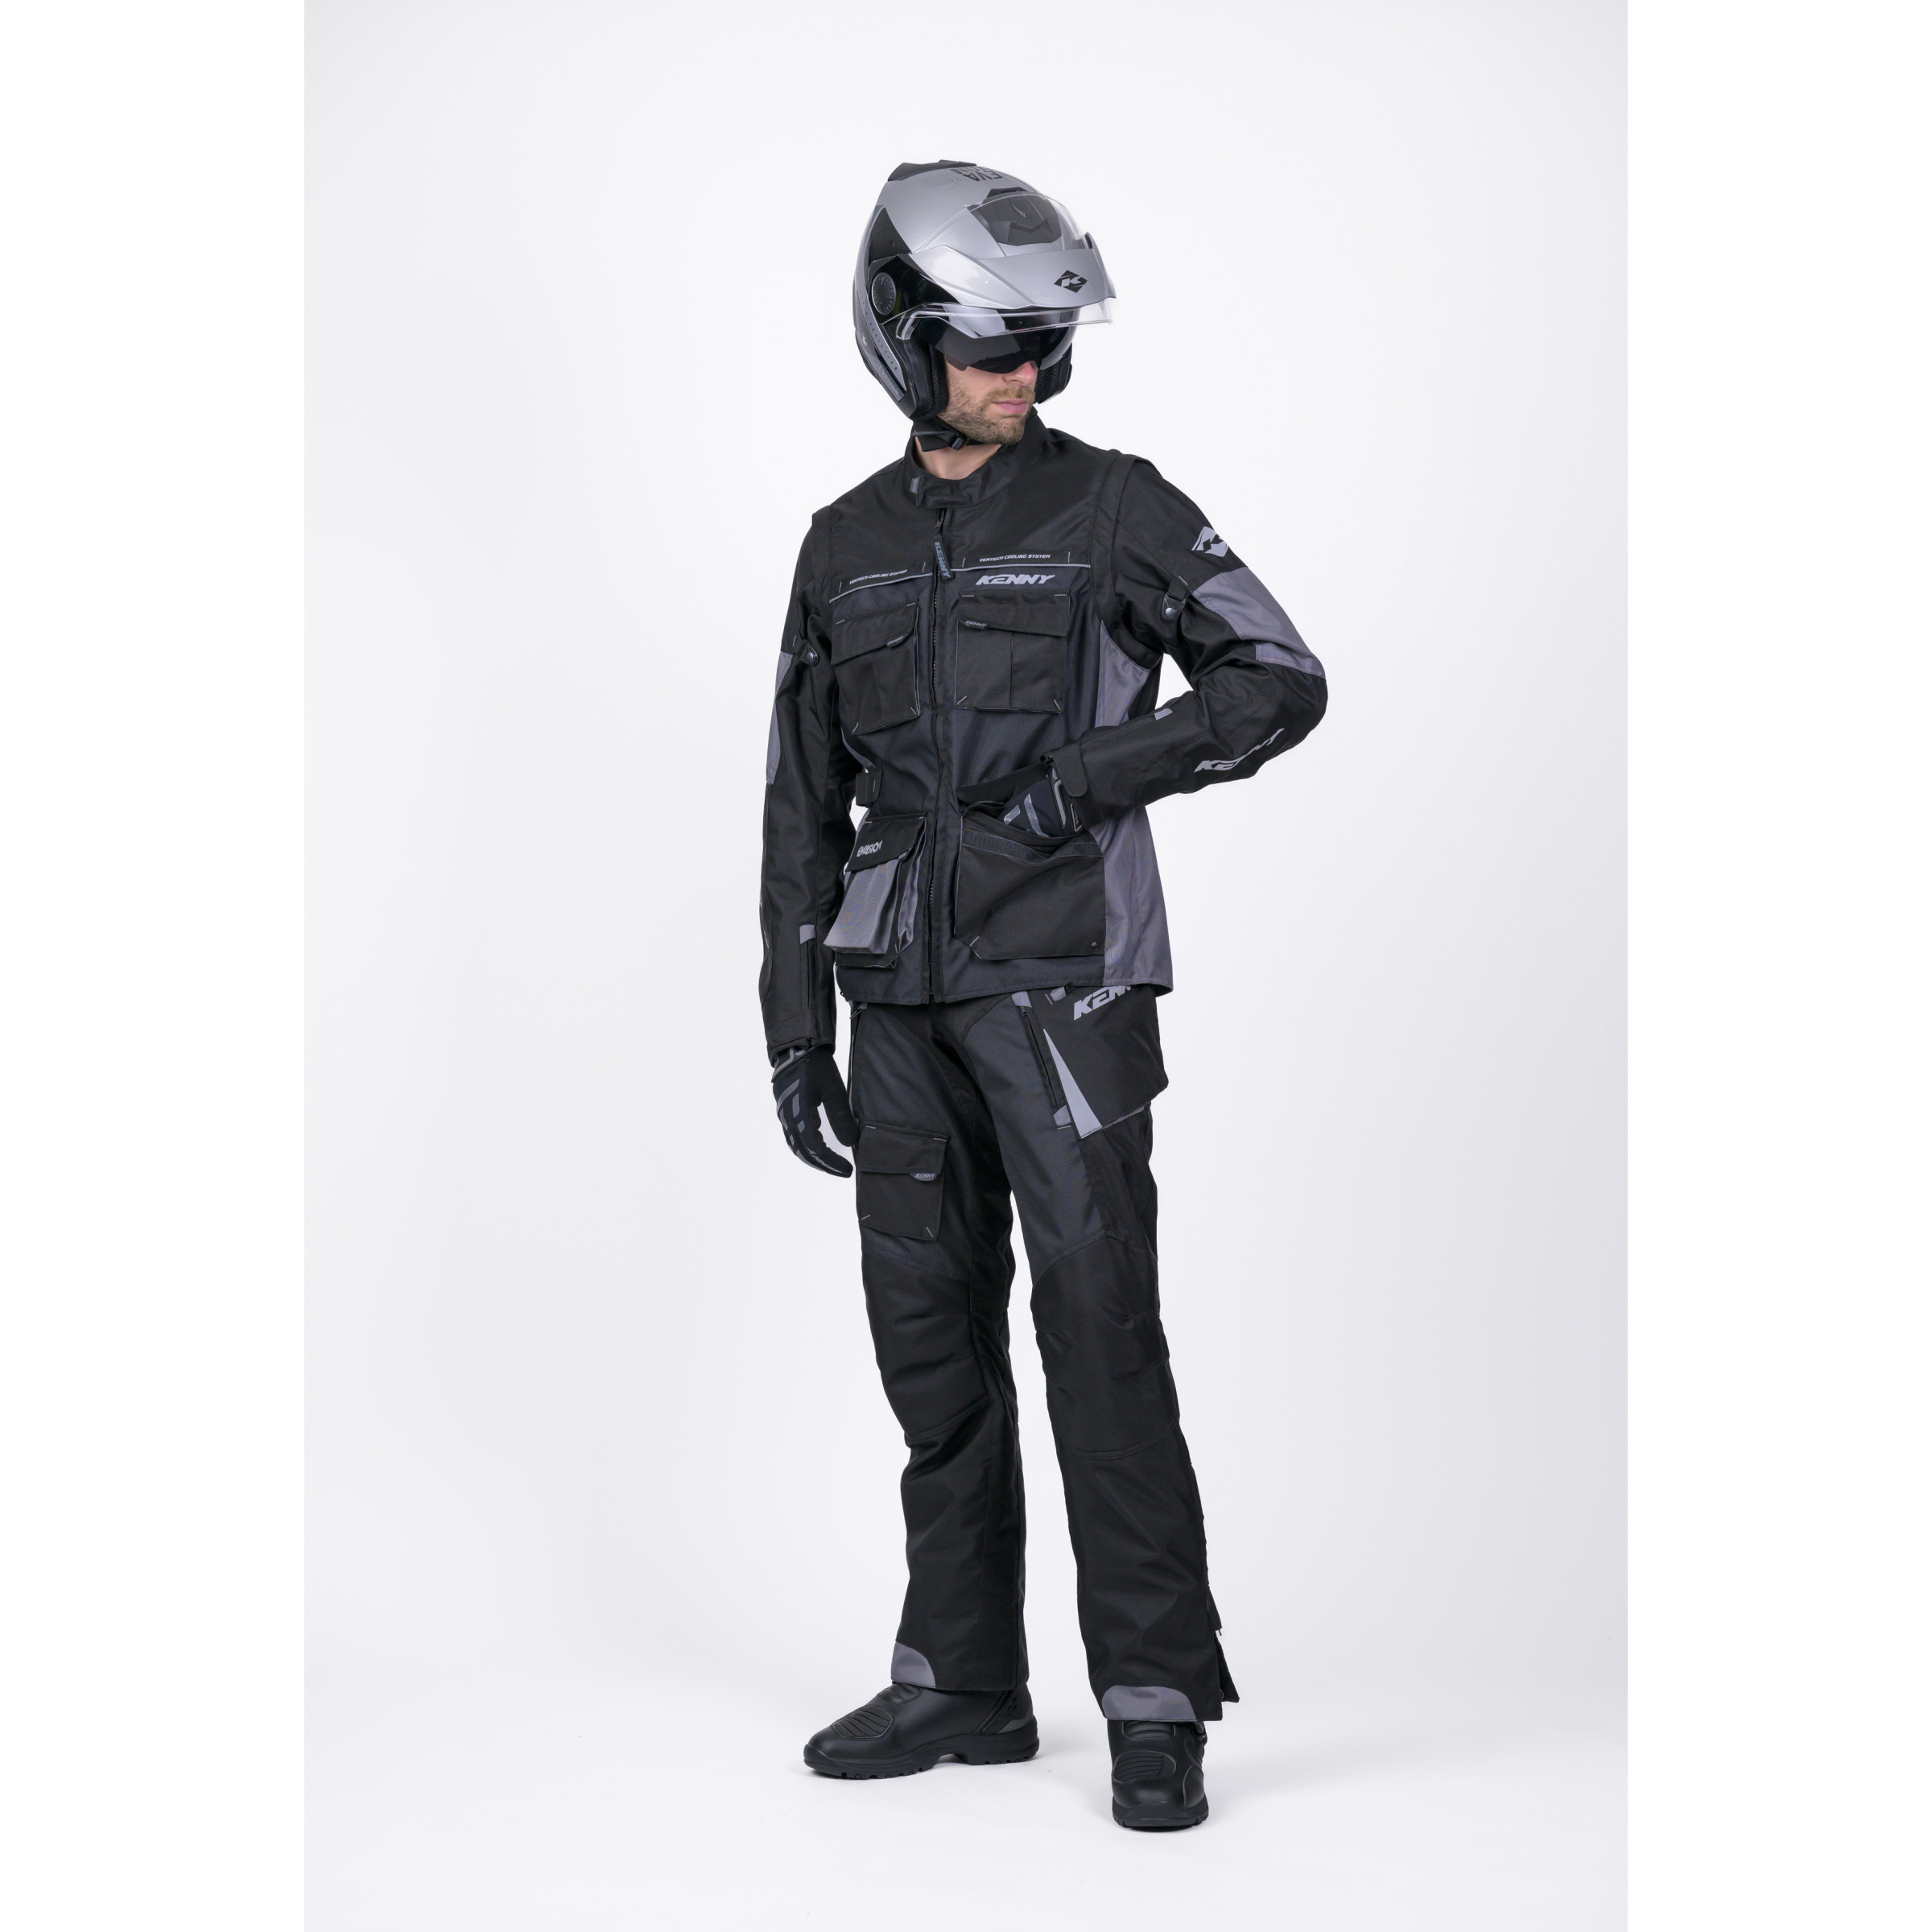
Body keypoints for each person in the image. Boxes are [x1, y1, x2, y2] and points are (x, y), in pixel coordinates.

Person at [759, 161, 1327, 1831]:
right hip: (898, 1000)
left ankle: (1155, 1698)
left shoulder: (1115, 507)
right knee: (930, 1347)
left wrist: (1087, 779)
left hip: (1066, 992)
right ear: (903, 337)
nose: (1023, 373)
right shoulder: (843, 545)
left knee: (1099, 1337)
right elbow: (799, 799)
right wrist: (795, 1022)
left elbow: (1277, 675)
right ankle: (962, 1680)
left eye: (1040, 346)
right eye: (990, 345)